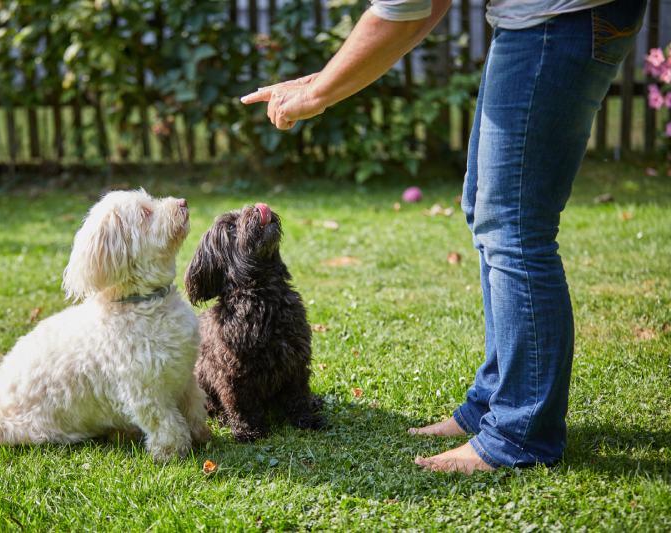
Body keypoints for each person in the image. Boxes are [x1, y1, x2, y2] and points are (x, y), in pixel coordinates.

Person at [241, 0, 647, 473]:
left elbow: (400, 13)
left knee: (514, 226)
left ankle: (522, 435)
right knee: (489, 209)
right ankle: (494, 401)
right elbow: (425, 5)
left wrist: (317, 94)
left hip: (555, 22)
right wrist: (319, 82)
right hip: (550, 20)